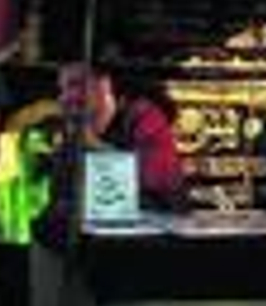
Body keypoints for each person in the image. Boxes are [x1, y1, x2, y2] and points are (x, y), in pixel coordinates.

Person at [36, 66, 186, 243]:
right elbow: (59, 198)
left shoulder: (144, 116)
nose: (65, 97)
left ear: (103, 85)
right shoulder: (70, 129)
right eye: (61, 90)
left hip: (149, 242)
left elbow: (157, 180)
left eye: (75, 85)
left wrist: (95, 146)